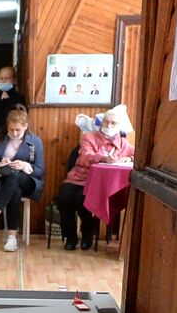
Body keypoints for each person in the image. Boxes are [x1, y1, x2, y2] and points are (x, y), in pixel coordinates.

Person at [57, 103, 135, 250]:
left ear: (119, 125)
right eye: (107, 121)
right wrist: (104, 159)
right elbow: (85, 156)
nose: (109, 125)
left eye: (113, 123)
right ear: (101, 122)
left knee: (82, 200)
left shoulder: (123, 143)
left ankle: (87, 233)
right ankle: (70, 237)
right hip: (80, 176)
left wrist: (129, 159)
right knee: (64, 198)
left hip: (99, 183)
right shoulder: (89, 137)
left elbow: (135, 153)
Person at [0, 105, 45, 252]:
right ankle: (11, 239)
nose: (14, 133)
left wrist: (24, 165)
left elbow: (40, 171)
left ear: (25, 126)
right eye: (11, 130)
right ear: (7, 127)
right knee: (15, 190)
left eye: (18, 130)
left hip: (29, 181)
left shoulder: (35, 142)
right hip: (4, 180)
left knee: (15, 177)